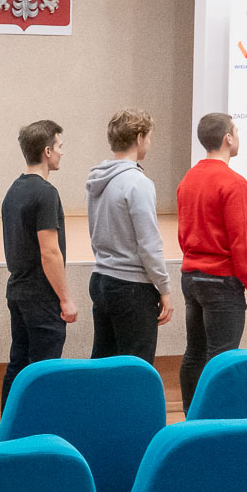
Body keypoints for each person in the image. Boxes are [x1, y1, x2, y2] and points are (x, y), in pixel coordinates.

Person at [176, 113, 247, 411]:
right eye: (236, 131)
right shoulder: (234, 183)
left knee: (194, 352)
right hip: (221, 281)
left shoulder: (188, 179)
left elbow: (183, 232)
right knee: (222, 357)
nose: (238, 136)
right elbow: (240, 239)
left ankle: (193, 417)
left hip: (191, 276)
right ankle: (216, 419)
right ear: (228, 138)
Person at [86, 108, 172, 363]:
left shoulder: (96, 180)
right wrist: (164, 287)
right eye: (149, 137)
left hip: (101, 279)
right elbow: (149, 243)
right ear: (139, 137)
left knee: (104, 365)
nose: (150, 143)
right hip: (131, 288)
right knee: (137, 368)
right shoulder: (138, 183)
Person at [0, 119, 76, 405]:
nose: (62, 152)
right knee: (45, 371)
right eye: (59, 146)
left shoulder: (14, 190)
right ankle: (39, 426)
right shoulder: (46, 193)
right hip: (41, 297)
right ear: (47, 151)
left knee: (19, 364)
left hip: (18, 291)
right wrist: (65, 299)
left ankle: (10, 425)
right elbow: (50, 252)